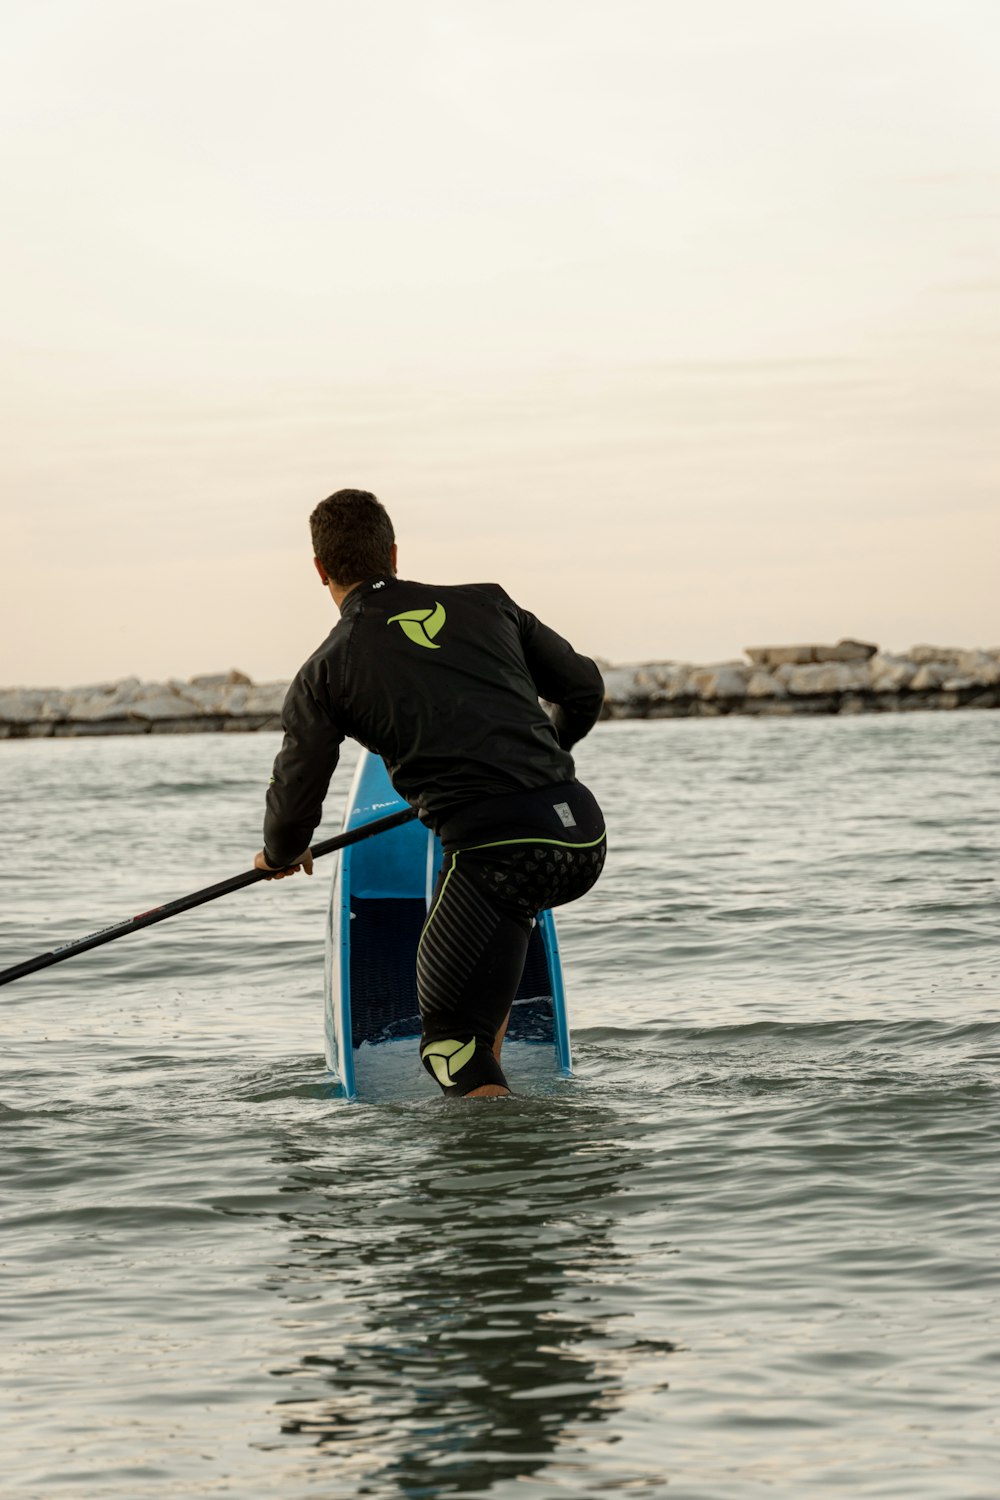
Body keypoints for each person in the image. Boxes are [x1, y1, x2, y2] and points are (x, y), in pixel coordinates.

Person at [254, 489, 607, 1099]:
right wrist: (544, 760)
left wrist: (282, 852)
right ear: (393, 552)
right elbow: (584, 689)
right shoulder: (489, 604)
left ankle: (508, 1180)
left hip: (499, 853)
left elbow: (298, 789)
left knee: (449, 1048)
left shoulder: (327, 670)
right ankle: (496, 1078)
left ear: (320, 570)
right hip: (580, 832)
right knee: (490, 919)